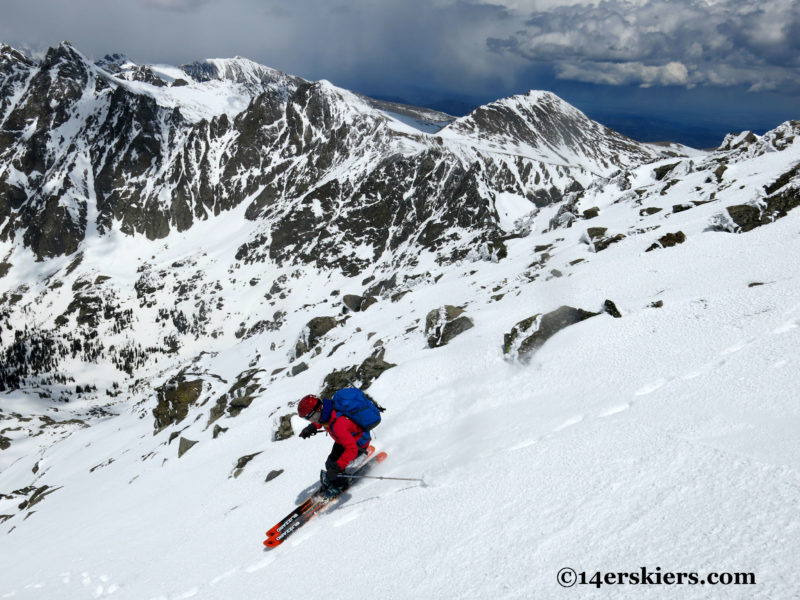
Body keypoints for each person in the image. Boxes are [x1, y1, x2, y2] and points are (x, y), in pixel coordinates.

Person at [297, 393, 371, 496]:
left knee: (333, 466)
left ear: (316, 412)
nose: (310, 420)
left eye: (309, 418)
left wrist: (337, 468)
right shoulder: (327, 410)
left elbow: (352, 450)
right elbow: (324, 419)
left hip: (358, 444)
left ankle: (340, 485)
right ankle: (337, 475)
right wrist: (312, 427)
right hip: (345, 440)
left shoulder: (338, 425)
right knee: (330, 463)